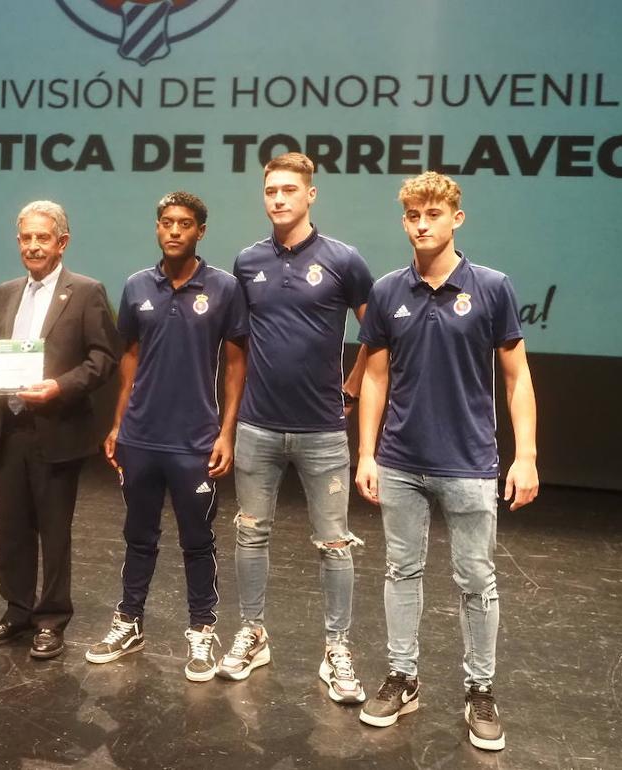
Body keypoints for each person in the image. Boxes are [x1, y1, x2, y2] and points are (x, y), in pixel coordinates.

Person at [354, 171, 539, 751]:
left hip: (470, 463)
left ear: (456, 219)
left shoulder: (491, 287)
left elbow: (517, 379)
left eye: (433, 214)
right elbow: (376, 378)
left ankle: (479, 689)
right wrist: (366, 452)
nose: (421, 224)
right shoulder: (387, 292)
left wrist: (526, 454)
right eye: (412, 215)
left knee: (476, 578)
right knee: (400, 572)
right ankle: (403, 677)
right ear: (404, 220)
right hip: (402, 460)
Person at [218, 153, 375, 701]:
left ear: (311, 195)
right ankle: (253, 633)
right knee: (250, 532)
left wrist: (351, 388)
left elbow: (377, 336)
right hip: (258, 428)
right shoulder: (246, 261)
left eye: (289, 189)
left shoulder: (343, 260)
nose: (279, 198)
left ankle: (337, 649)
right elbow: (236, 347)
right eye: (270, 190)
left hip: (323, 431)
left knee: (334, 544)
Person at [86, 191, 248, 682]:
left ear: (200, 230)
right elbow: (129, 357)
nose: (174, 231)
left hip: (195, 440)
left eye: (184, 223)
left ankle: (202, 630)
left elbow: (237, 363)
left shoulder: (224, 288)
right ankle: (129, 621)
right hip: (141, 437)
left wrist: (227, 433)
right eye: (166, 223)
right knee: (139, 535)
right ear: (157, 228)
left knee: (197, 541)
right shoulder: (137, 286)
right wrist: (118, 422)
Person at [0, 201, 119, 659]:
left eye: (42, 238)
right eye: (26, 238)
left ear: (61, 243)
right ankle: (16, 611)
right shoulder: (7, 291)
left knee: (54, 530)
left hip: (57, 427)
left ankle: (51, 617)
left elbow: (103, 359)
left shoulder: (86, 291)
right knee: (10, 528)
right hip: (8, 426)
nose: (33, 246)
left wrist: (59, 386)